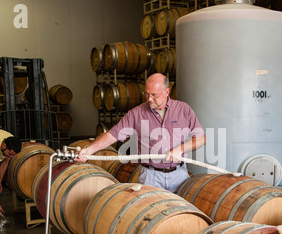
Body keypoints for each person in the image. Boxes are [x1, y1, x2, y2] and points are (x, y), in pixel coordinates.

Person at [76, 73, 206, 192]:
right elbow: (113, 134)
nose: (149, 99)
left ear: (166, 92)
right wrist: (89, 150)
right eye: (147, 94)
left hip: (179, 175)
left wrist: (181, 149)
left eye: (154, 95)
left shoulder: (183, 109)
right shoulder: (136, 113)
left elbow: (201, 138)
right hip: (150, 176)